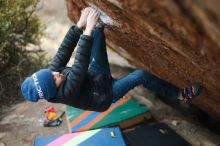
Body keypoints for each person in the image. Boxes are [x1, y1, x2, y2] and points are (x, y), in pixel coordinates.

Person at [21, 7, 202, 112]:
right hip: (105, 94)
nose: (55, 73)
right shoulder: (66, 92)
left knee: (97, 31)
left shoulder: (52, 75)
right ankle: (180, 94)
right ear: (54, 89)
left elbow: (63, 52)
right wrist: (87, 30)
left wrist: (79, 25)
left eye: (51, 73)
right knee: (140, 75)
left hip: (95, 76)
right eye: (54, 79)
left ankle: (98, 24)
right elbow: (79, 66)